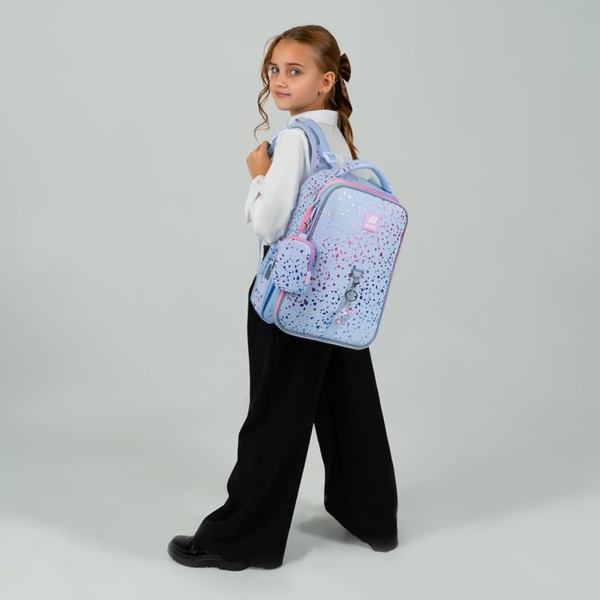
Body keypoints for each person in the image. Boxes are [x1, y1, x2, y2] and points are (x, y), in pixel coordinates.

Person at [168, 24, 398, 572]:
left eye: (295, 70)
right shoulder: (338, 138)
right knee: (350, 405)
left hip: (292, 297)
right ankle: (372, 518)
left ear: (326, 80)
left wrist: (257, 176)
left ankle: (240, 540)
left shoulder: (296, 138)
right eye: (274, 69)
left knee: (274, 414)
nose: (279, 80)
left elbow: (270, 222)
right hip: (337, 299)